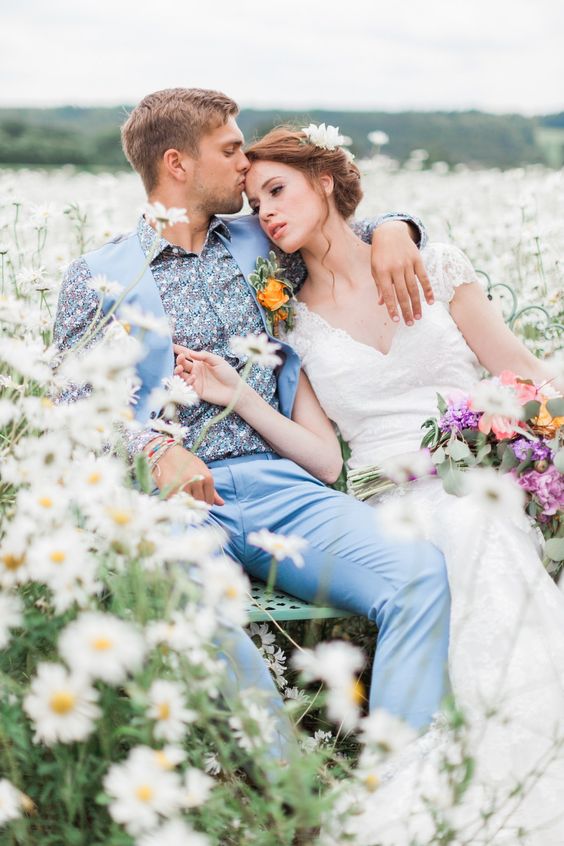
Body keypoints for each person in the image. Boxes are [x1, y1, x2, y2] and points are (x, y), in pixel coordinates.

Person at [174, 124, 564, 843]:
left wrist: (543, 433)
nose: (266, 212)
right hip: (394, 500)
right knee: (462, 532)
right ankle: (461, 765)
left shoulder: (429, 260)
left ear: (325, 181)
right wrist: (240, 398)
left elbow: (520, 369)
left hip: (489, 469)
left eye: (278, 189)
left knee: (480, 520)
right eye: (255, 202)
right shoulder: (287, 314)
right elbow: (324, 460)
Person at [52, 89, 452, 753]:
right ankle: (293, 794)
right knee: (192, 603)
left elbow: (357, 226)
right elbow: (73, 405)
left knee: (417, 572)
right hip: (171, 501)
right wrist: (153, 450)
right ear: (177, 164)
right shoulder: (97, 276)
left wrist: (393, 230)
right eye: (231, 149)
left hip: (280, 486)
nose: (245, 165)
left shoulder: (259, 239)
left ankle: (399, 782)